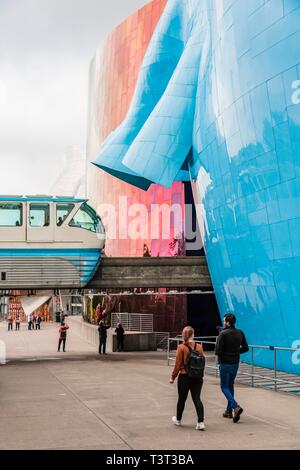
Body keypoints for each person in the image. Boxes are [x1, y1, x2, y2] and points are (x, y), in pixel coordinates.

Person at [215, 313, 249, 423]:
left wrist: (225, 355)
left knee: (224, 387)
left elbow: (217, 352)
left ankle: (236, 406)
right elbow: (246, 348)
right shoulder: (240, 332)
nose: (223, 322)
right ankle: (229, 411)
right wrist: (235, 352)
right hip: (235, 363)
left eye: (224, 321)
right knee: (230, 385)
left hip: (225, 364)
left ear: (228, 322)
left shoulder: (222, 334)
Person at [170, 326, 205, 431]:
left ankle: (178, 420)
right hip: (197, 377)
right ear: (193, 334)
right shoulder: (199, 347)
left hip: (185, 376)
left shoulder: (181, 347)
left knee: (182, 399)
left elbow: (177, 364)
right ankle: (200, 422)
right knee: (197, 399)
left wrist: (173, 377)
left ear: (184, 335)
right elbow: (201, 362)